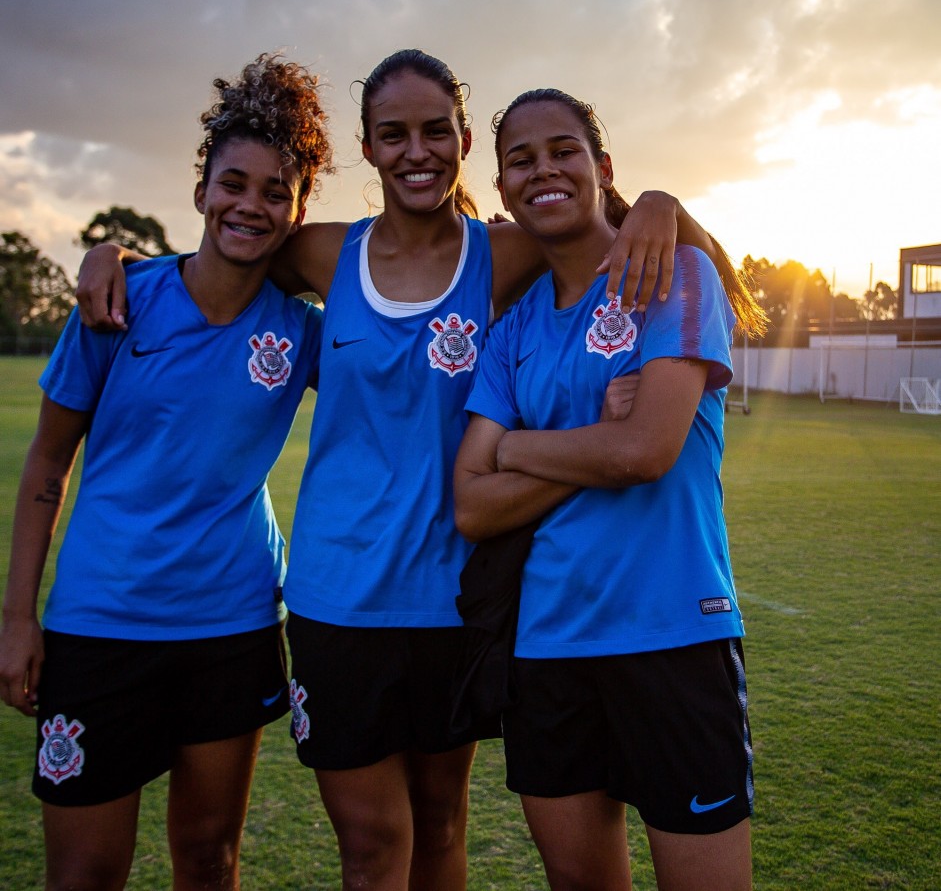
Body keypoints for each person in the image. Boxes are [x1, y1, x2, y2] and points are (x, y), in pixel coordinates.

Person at [75, 49, 726, 891]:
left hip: (452, 597)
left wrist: (662, 203)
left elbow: (629, 237)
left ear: (460, 141)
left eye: (434, 132)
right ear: (369, 148)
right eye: (393, 135)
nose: (415, 151)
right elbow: (223, 252)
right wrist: (116, 257)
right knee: (373, 842)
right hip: (333, 596)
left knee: (443, 824)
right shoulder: (321, 255)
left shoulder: (504, 253)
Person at [0, 53, 331, 891]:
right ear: (201, 191)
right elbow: (47, 460)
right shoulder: (117, 303)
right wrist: (17, 619)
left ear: (297, 212)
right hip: (99, 625)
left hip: (234, 625)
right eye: (233, 182)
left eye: (273, 191)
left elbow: (406, 300)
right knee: (83, 875)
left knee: (210, 861)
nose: (249, 204)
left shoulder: (302, 331)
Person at [452, 88, 767, 891]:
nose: (542, 170)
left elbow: (645, 450)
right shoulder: (512, 329)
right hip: (546, 648)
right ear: (501, 191)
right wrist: (591, 434)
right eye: (519, 160)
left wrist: (520, 444)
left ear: (602, 167)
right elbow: (471, 505)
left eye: (561, 149)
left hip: (674, 635)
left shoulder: (677, 274)